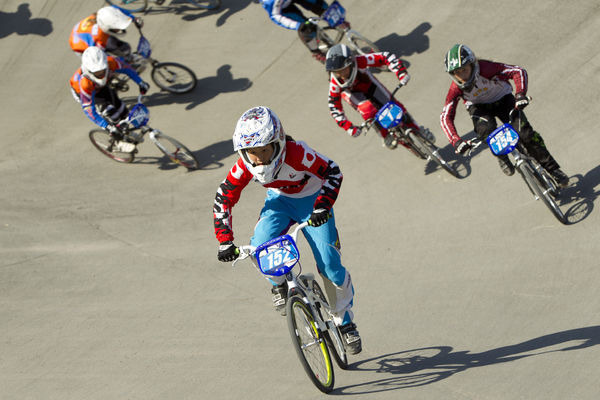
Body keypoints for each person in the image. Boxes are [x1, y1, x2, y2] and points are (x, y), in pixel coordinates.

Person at [213, 106, 362, 354]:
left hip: (314, 202)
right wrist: (225, 241)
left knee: (329, 266)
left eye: (264, 150)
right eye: (251, 152)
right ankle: (278, 284)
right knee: (261, 244)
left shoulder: (298, 153)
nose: (258, 158)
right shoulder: (244, 165)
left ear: (278, 142)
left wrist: (323, 206)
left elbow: (333, 171)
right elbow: (223, 198)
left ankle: (345, 323)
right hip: (279, 202)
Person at [441, 44, 569, 186]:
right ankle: (501, 156)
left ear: (472, 64)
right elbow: (445, 117)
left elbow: (517, 71)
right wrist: (457, 141)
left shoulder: (487, 68)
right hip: (479, 109)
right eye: (456, 73)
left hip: (504, 100)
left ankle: (553, 170)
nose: (462, 76)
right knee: (485, 130)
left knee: (526, 135)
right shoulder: (455, 89)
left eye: (464, 69)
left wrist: (520, 94)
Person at [326, 43, 436, 150]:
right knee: (368, 110)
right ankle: (385, 136)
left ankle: (417, 129)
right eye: (336, 72)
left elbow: (385, 56)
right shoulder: (334, 85)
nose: (341, 75)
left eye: (343, 69)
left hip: (370, 85)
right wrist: (349, 128)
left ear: (351, 63)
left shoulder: (360, 61)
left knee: (393, 104)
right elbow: (334, 108)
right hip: (354, 95)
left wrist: (401, 72)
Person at [69, 47, 150, 153]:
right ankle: (118, 142)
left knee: (121, 108)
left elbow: (127, 69)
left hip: (100, 87)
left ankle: (126, 132)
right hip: (86, 93)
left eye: (103, 70)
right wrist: (107, 127)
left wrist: (140, 82)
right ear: (89, 70)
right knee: (111, 114)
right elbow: (89, 110)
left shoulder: (111, 61)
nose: (101, 74)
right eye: (97, 73)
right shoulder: (84, 83)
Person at [260, 0, 344, 62]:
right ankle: (317, 52)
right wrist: (298, 25)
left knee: (321, 6)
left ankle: (340, 21)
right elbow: (275, 16)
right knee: (306, 28)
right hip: (281, 9)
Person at [69, 5, 143, 58]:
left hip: (83, 31)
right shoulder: (99, 37)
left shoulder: (108, 12)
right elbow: (102, 55)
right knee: (107, 58)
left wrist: (134, 19)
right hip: (80, 47)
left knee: (120, 46)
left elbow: (120, 11)